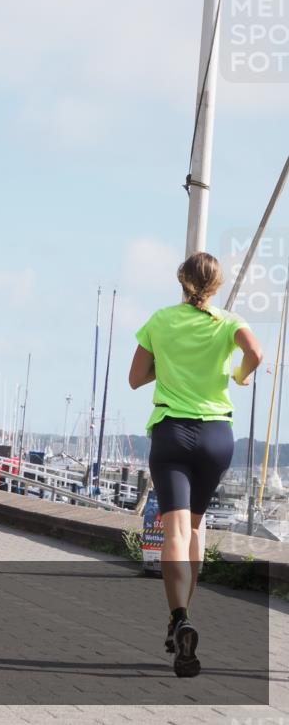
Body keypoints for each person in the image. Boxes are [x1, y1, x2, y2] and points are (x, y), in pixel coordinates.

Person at [129, 252, 262, 678]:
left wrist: (167, 367)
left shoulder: (160, 320)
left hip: (172, 431)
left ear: (181, 281)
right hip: (216, 437)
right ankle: (186, 615)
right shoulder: (228, 321)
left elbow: (135, 377)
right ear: (217, 284)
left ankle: (178, 617)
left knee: (175, 529)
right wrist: (240, 376)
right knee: (197, 529)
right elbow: (256, 353)